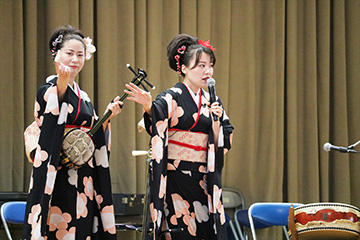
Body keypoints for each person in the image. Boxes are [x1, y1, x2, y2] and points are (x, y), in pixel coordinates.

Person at [126, 33, 234, 240]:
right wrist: (148, 105)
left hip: (203, 176)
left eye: (210, 65)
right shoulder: (172, 96)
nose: (208, 71)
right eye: (200, 66)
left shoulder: (213, 100)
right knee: (180, 230)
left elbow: (226, 137)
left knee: (206, 229)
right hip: (175, 174)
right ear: (184, 69)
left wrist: (217, 122)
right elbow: (157, 116)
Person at [22, 25, 121, 239]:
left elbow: (91, 134)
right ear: (55, 54)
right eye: (69, 53)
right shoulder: (48, 88)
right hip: (57, 171)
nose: (75, 59)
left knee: (82, 226)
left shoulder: (83, 96)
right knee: (57, 224)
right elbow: (47, 119)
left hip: (83, 172)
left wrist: (106, 117)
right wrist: (61, 85)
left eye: (80, 54)